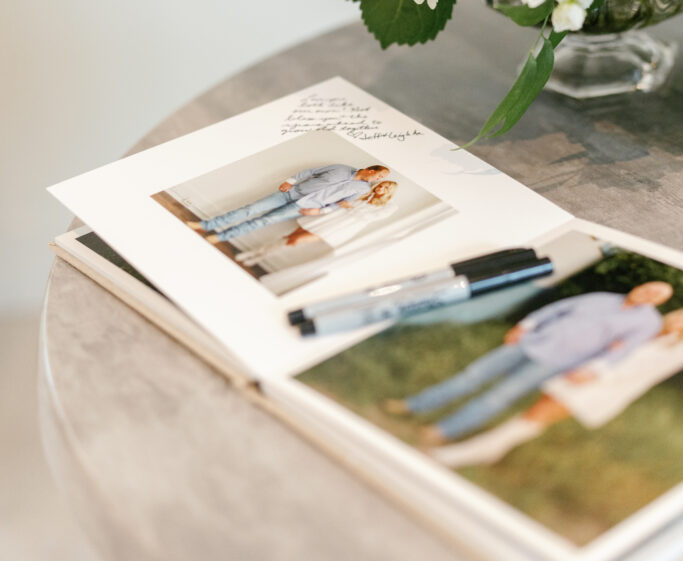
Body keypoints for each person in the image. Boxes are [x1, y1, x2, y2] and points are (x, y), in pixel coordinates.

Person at [384, 282, 674, 445]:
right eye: (649, 288)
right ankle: (412, 406)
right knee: (470, 376)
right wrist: (525, 325)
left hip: (556, 362)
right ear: (641, 286)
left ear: (658, 302)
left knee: (498, 397)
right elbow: (557, 309)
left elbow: (621, 352)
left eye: (656, 295)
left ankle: (440, 432)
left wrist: (593, 370)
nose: (649, 294)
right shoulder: (601, 295)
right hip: (530, 341)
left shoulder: (647, 323)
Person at [432, 307, 683, 468]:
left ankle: (468, 452)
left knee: (538, 416)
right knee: (535, 412)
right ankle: (489, 448)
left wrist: (594, 373)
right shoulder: (653, 329)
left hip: (599, 386)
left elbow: (640, 371)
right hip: (584, 373)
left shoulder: (677, 350)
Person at [188, 164, 389, 242]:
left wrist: (318, 212)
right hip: (290, 193)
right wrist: (290, 181)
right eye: (379, 176)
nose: (378, 180)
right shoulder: (341, 168)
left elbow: (342, 204)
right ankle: (205, 226)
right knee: (250, 209)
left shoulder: (362, 190)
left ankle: (221, 237)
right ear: (371, 170)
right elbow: (311, 172)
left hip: (304, 207)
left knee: (263, 222)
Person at [235, 181, 398, 266]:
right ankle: (254, 253)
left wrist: (351, 207)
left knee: (295, 241)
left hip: (338, 228)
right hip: (327, 219)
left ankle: (257, 257)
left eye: (384, 188)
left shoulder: (389, 206)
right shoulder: (361, 195)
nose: (380, 189)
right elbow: (337, 203)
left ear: (389, 192)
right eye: (380, 185)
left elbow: (370, 218)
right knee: (291, 236)